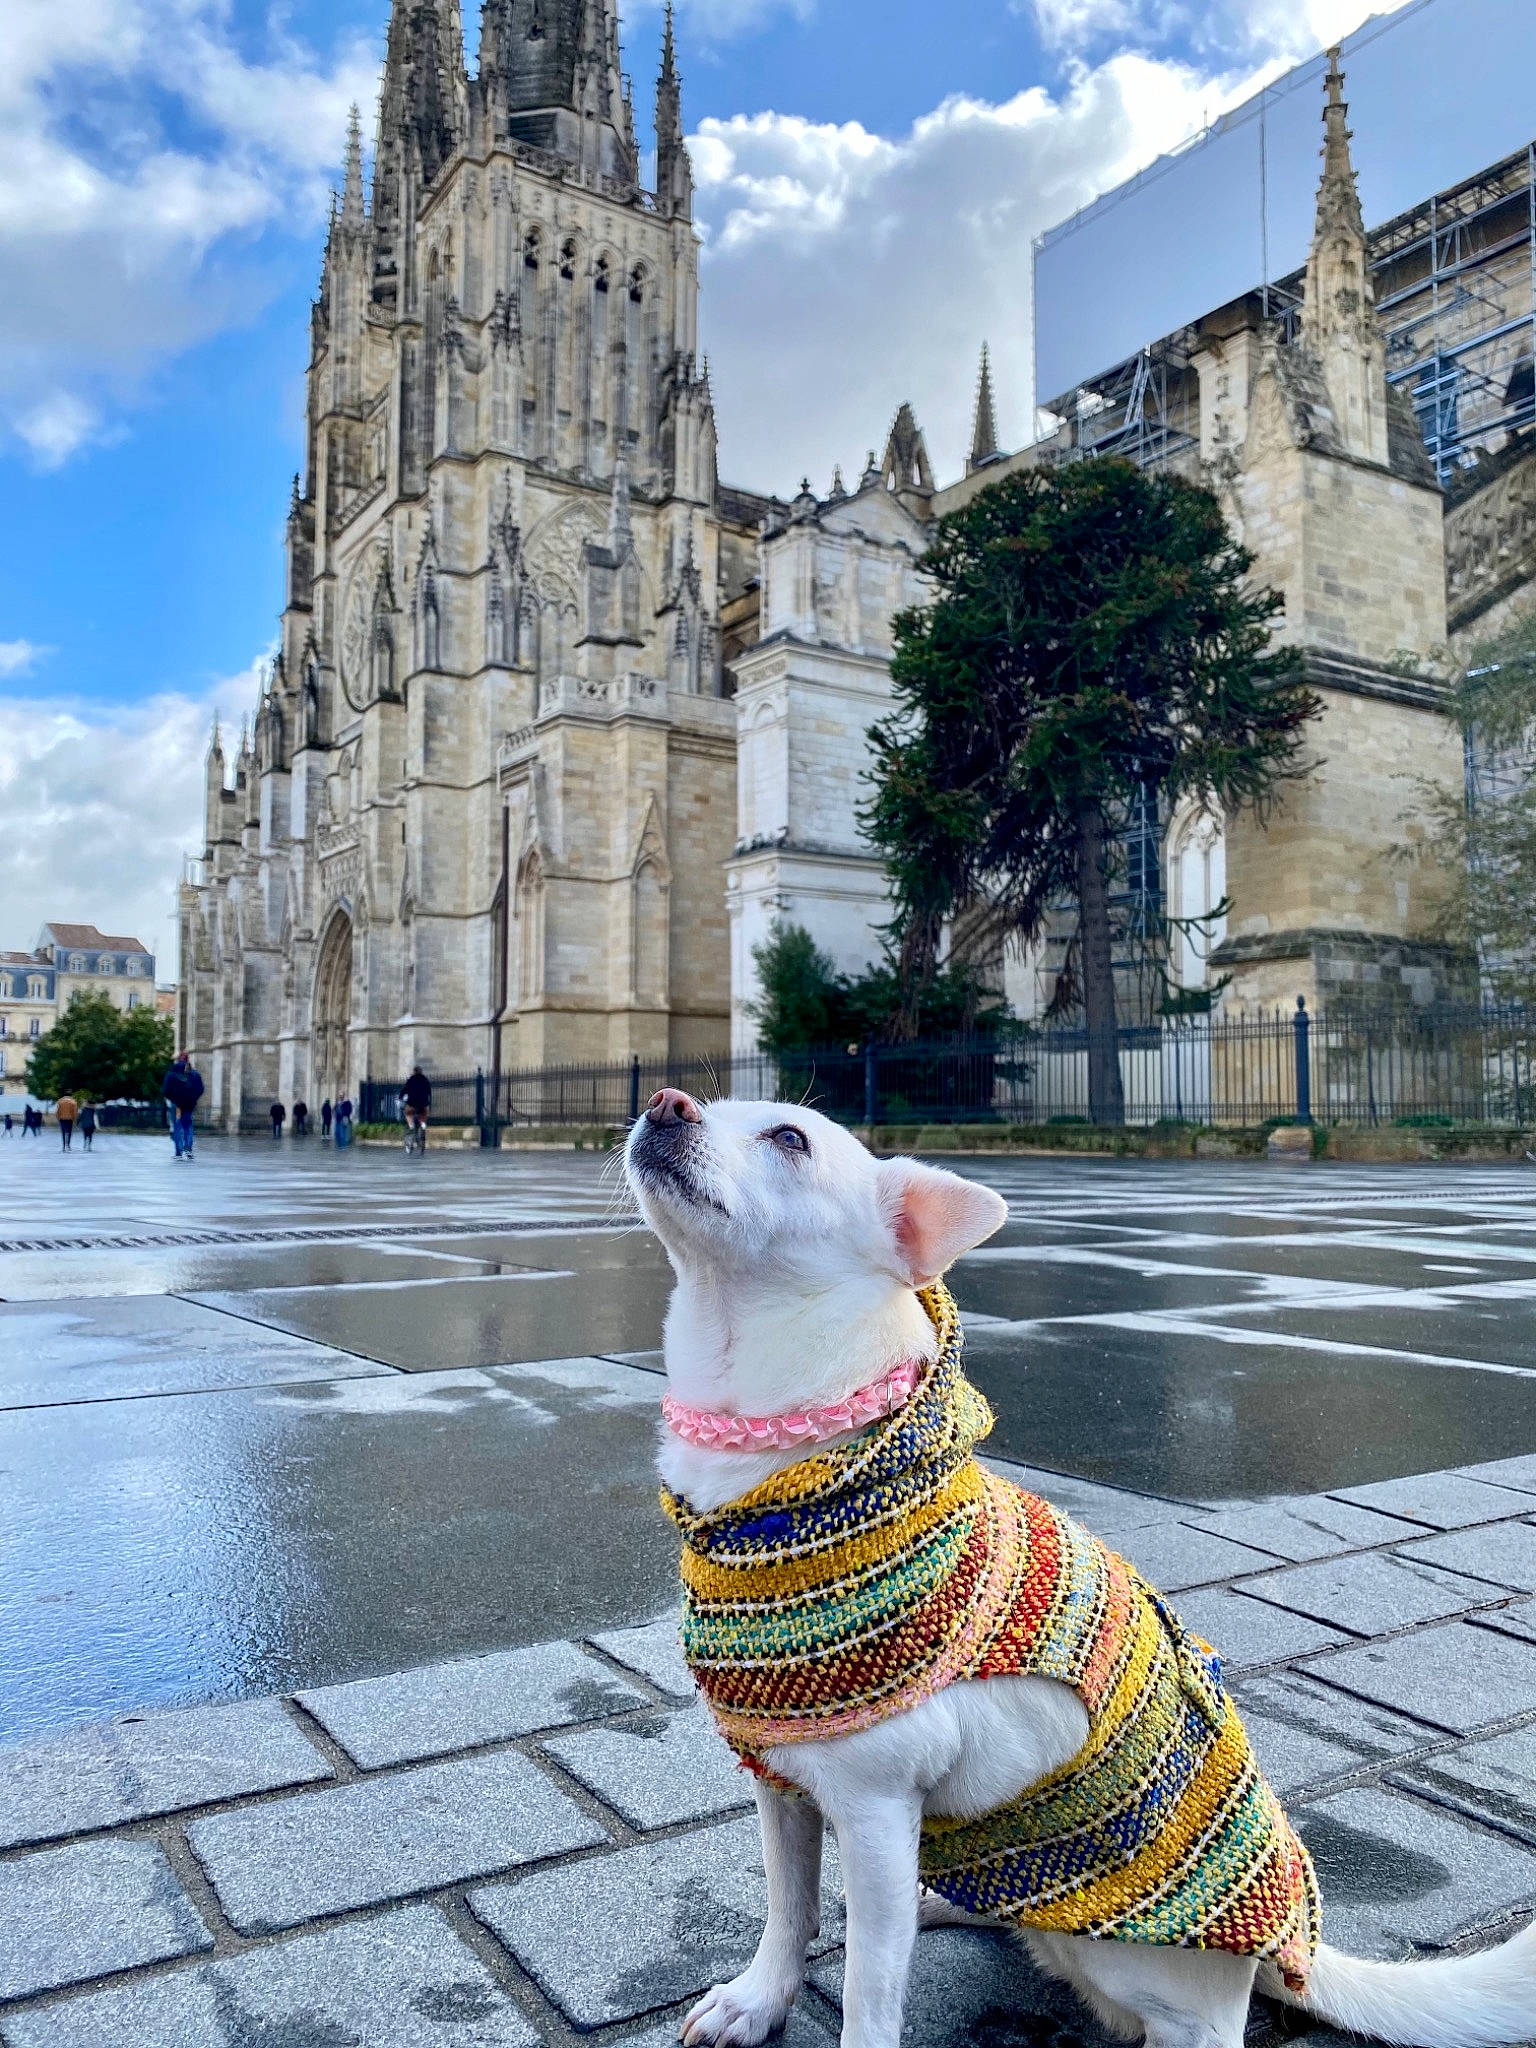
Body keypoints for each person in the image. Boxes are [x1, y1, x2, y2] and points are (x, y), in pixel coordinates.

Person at [163, 1052, 205, 1160]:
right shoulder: (194, 1074)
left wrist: (173, 1100)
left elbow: (166, 1090)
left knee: (178, 1126)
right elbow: (200, 1089)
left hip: (177, 1104)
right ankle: (188, 1149)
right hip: (189, 1104)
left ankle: (179, 1151)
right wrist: (194, 1099)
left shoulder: (173, 1073)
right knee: (188, 1125)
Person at [401, 1066, 431, 1151]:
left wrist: (400, 1097)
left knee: (408, 1113)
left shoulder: (411, 1079)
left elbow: (404, 1090)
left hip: (412, 1104)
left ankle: (411, 1126)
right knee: (423, 1113)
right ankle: (423, 1124)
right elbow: (429, 1092)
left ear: (414, 1072)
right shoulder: (425, 1080)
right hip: (423, 1103)